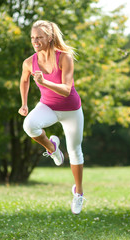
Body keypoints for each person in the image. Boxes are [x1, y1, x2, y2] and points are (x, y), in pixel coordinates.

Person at [18, 20, 85, 215]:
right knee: (29, 125)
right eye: (32, 37)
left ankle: (79, 193)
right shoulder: (29, 62)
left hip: (71, 109)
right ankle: (52, 148)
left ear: (50, 37)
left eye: (39, 37)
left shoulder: (65, 58)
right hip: (48, 106)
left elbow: (66, 90)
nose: (35, 41)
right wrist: (24, 103)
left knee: (75, 150)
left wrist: (44, 82)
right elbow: (24, 80)